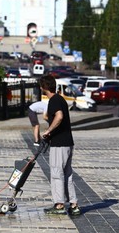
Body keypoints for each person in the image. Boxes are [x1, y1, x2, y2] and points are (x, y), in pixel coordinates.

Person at [39, 75, 81, 216]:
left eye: (41, 86)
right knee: (67, 174)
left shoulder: (54, 100)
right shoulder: (60, 99)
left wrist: (49, 130)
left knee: (57, 173)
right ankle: (74, 205)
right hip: (68, 142)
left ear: (44, 87)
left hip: (59, 144)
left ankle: (59, 205)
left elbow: (60, 116)